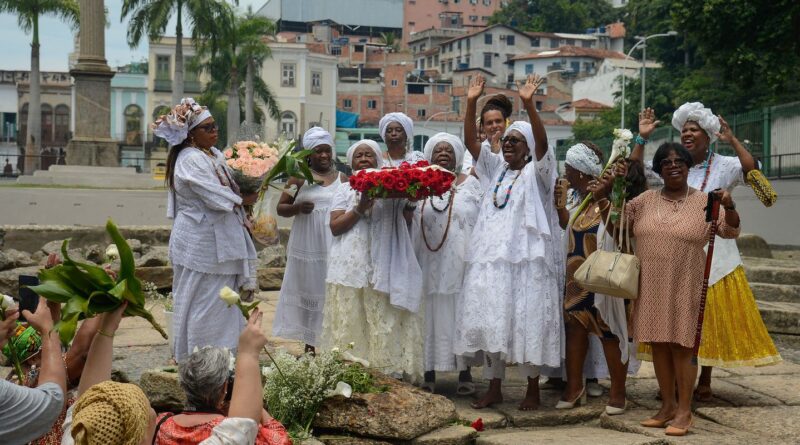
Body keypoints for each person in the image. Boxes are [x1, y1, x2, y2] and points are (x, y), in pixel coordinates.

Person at [632, 104, 781, 400]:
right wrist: (641, 138)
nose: (687, 134)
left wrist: (733, 140)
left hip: (717, 253)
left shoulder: (725, 164)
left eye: (694, 129)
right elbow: (634, 177)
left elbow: (757, 180)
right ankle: (674, 382)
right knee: (675, 320)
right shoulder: (671, 165)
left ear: (709, 135)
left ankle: (704, 380)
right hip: (672, 254)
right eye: (683, 129)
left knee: (708, 319)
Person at [591, 142, 740, 436]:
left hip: (687, 283)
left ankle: (685, 410)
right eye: (666, 162)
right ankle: (667, 406)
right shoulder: (644, 201)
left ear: (688, 166)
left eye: (679, 161)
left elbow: (731, 230)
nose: (673, 165)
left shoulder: (705, 201)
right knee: (659, 344)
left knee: (682, 347)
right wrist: (604, 201)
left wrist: (729, 205)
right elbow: (618, 229)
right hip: (651, 285)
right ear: (659, 169)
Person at [454, 74, 564, 410]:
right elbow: (472, 143)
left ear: (529, 147)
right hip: (490, 262)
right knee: (491, 322)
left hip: (527, 264)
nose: (509, 143)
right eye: (507, 140)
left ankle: (532, 389)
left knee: (527, 322)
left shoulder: (539, 173)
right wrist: (471, 100)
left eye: (517, 140)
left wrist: (530, 105)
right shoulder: (493, 170)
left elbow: (543, 144)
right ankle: (494, 386)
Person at [61, 302, 270, 445]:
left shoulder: (80, 434)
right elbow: (238, 430)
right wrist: (249, 354)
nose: (151, 409)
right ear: (138, 436)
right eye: (143, 407)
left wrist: (107, 328)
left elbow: (85, 399)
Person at [153, 98, 258, 362]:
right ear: (190, 135)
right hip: (201, 243)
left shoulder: (215, 154)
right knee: (202, 302)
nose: (215, 131)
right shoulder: (189, 159)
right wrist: (241, 199)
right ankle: (198, 360)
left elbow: (229, 186)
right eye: (207, 128)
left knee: (225, 303)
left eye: (215, 126)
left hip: (222, 240)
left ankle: (226, 360)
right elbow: (213, 195)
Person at [321, 140, 424, 382]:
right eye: (359, 155)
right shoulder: (345, 190)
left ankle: (387, 372)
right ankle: (352, 372)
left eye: (369, 155)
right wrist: (359, 208)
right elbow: (335, 227)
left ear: (378, 161)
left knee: (383, 317)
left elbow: (407, 220)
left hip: (385, 265)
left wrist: (411, 198)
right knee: (352, 318)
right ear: (351, 162)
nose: (365, 158)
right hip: (350, 266)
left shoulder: (392, 187)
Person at [552, 142, 630, 414]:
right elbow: (568, 227)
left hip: (602, 277)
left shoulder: (608, 194)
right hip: (576, 278)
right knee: (575, 329)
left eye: (569, 169)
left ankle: (618, 393)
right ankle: (574, 387)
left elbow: (618, 229)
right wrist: (561, 206)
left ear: (582, 173)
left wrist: (603, 197)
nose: (565, 173)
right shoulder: (576, 198)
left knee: (609, 332)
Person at [413, 133, 483, 395]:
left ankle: (465, 372)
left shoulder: (471, 186)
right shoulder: (418, 185)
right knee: (428, 315)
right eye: (438, 150)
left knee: (459, 314)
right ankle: (428, 372)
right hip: (427, 262)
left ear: (457, 156)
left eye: (449, 150)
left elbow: (480, 222)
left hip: (460, 262)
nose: (443, 154)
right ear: (429, 157)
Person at [273, 127, 346, 354]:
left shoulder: (342, 179)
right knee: (308, 289)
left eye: (327, 151)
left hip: (332, 244)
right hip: (306, 245)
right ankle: (309, 346)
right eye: (317, 152)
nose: (323, 156)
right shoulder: (298, 178)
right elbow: (281, 208)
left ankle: (336, 344)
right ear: (308, 155)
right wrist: (297, 208)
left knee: (331, 291)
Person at [153, 346, 291, 445]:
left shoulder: (161, 424)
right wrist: (254, 406)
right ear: (225, 387)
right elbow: (282, 441)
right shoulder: (234, 432)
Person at [0, 297, 66, 444]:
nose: (56, 351)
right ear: (33, 359)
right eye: (44, 350)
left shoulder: (11, 379)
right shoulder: (33, 376)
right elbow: (81, 354)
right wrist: (47, 331)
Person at [462, 94, 513, 174]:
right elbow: (469, 142)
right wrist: (472, 100)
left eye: (498, 121)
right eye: (489, 122)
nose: (494, 126)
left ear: (505, 121)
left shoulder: (515, 147)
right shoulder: (480, 149)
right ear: (483, 126)